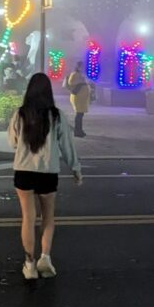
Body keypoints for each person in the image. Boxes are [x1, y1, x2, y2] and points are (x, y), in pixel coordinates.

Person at [7, 72, 83, 281]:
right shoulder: (56, 116)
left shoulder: (20, 114)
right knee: (48, 217)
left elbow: (13, 142)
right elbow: (67, 146)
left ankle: (29, 264)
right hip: (48, 172)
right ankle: (45, 258)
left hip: (24, 171)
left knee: (28, 219)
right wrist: (75, 168)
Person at [64, 61, 90, 137]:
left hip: (81, 98)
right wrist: (81, 81)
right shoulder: (75, 74)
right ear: (78, 66)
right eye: (81, 66)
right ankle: (77, 131)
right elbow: (70, 82)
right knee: (79, 114)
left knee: (80, 114)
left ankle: (79, 130)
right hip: (78, 97)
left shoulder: (80, 74)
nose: (83, 68)